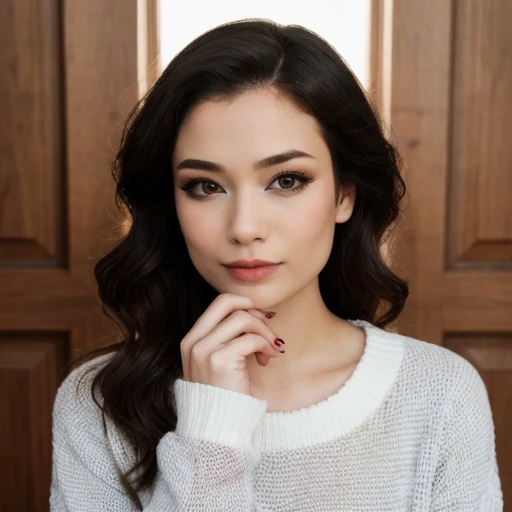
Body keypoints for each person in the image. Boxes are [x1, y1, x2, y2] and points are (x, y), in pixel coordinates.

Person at [49, 18, 503, 511]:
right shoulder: (98, 404)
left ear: (344, 194)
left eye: (286, 180)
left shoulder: (439, 394)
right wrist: (211, 433)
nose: (244, 227)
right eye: (205, 185)